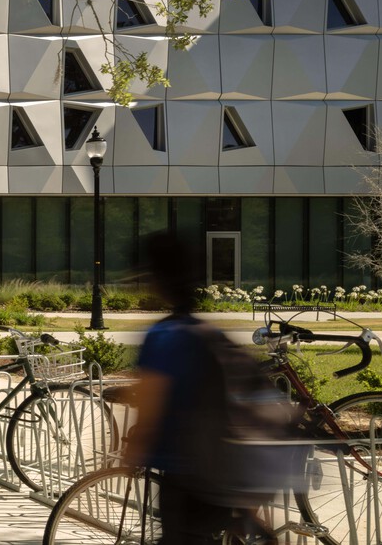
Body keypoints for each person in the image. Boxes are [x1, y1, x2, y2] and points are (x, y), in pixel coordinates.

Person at [121, 231, 247, 545]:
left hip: (187, 481)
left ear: (157, 279)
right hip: (224, 473)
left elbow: (151, 408)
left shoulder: (164, 336)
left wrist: (131, 453)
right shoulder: (208, 333)